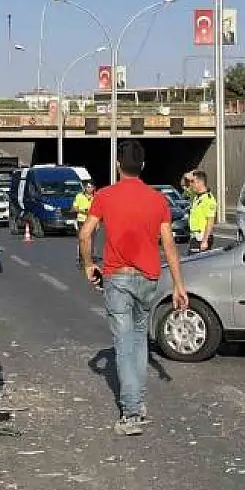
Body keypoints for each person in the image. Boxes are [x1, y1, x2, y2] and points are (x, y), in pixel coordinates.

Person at [78, 140, 188, 436]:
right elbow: (169, 244)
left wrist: (89, 264)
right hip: (149, 278)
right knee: (140, 340)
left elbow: (86, 234)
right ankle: (138, 402)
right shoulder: (157, 200)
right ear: (142, 166)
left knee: (124, 345)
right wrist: (179, 285)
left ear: (118, 165)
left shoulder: (104, 196)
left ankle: (131, 413)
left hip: (117, 277)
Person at [187, 170, 217, 254]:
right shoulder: (197, 197)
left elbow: (210, 221)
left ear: (200, 183)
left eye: (193, 182)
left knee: (196, 264)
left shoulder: (208, 199)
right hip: (195, 237)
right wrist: (189, 176)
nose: (190, 184)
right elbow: (185, 186)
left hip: (201, 238)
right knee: (192, 263)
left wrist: (205, 241)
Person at [72, 181, 95, 265]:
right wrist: (83, 210)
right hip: (81, 220)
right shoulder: (79, 196)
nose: (90, 189)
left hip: (92, 220)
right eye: (88, 187)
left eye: (91, 187)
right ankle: (81, 257)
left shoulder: (95, 197)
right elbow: (73, 208)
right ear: (85, 188)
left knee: (91, 240)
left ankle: (89, 257)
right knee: (82, 239)